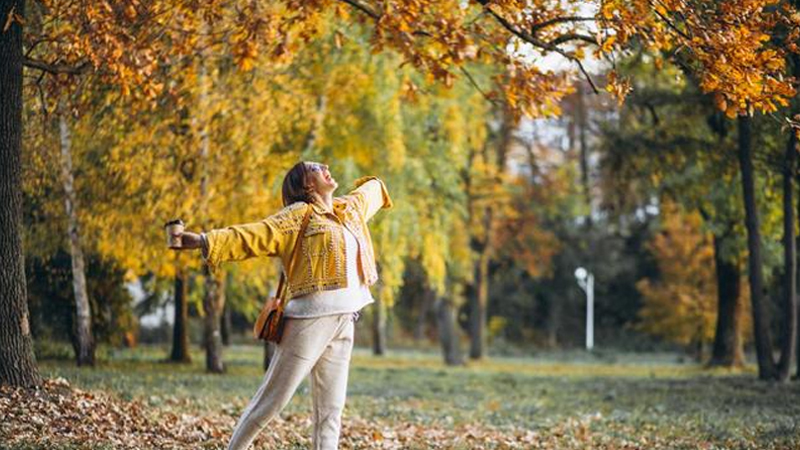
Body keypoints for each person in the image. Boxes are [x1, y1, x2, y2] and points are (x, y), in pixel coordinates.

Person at [175, 161, 392, 450]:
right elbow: (252, 235)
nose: (324, 165)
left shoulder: (348, 210)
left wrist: (381, 179)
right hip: (309, 323)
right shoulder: (297, 216)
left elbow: (372, 191)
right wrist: (203, 240)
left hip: (345, 321)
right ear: (306, 185)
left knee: (330, 412)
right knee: (270, 403)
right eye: (315, 167)